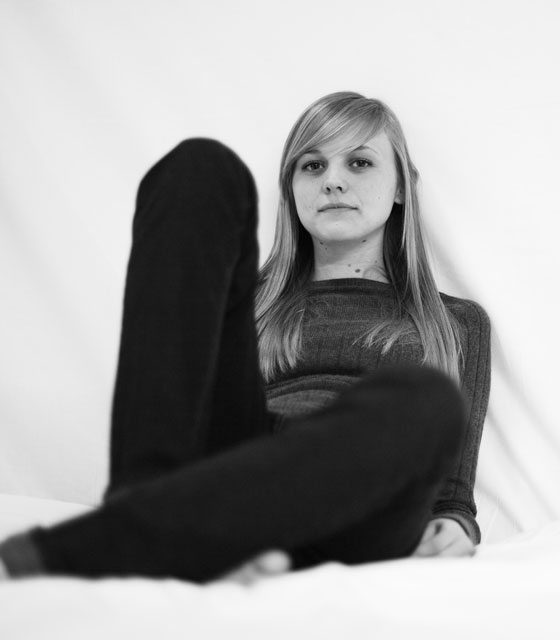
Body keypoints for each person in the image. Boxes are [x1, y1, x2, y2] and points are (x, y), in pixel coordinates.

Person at [0, 91, 491, 583]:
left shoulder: (456, 322)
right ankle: (142, 513)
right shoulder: (248, 300)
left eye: (359, 162)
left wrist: (456, 523)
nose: (333, 180)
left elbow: (452, 495)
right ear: (291, 190)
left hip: (358, 502)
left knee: (428, 399)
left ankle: (146, 533)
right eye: (312, 166)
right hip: (238, 467)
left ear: (403, 186)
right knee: (201, 165)